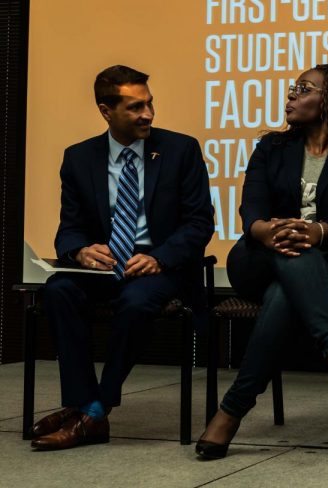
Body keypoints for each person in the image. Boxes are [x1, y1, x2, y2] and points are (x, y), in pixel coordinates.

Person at [195, 63, 328, 460]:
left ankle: (231, 411)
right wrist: (267, 231)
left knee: (287, 290)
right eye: (293, 88)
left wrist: (317, 232)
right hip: (260, 258)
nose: (291, 95)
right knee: (291, 262)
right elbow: (251, 207)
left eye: (304, 88)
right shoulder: (271, 148)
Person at [30, 65, 215, 450]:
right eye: (135, 107)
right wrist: (80, 250)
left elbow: (199, 223)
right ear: (105, 110)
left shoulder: (181, 149)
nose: (147, 114)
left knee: (136, 302)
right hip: (108, 267)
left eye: (149, 104)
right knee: (58, 289)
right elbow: (70, 228)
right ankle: (84, 404)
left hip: (161, 267)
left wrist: (160, 258)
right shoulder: (79, 158)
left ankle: (95, 412)